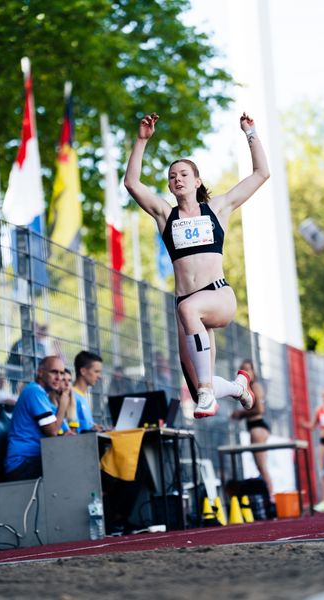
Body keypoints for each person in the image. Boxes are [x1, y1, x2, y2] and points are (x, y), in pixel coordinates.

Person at [124, 111, 270, 418]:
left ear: (197, 181)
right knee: (194, 384)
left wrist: (250, 132)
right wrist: (141, 140)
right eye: (172, 176)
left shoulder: (217, 209)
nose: (176, 179)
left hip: (217, 296)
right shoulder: (166, 215)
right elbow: (132, 183)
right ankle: (237, 387)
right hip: (186, 306)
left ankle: (206, 393)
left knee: (190, 318)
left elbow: (261, 174)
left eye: (183, 174)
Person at [4, 355, 69, 481]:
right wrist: (63, 405)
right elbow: (52, 431)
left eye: (61, 373)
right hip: (21, 463)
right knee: (68, 464)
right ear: (40, 372)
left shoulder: (45, 399)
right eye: (54, 372)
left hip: (34, 460)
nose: (59, 378)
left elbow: (64, 432)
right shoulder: (34, 391)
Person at [231, 359, 274, 499]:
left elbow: (259, 409)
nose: (246, 372)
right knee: (260, 466)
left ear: (254, 372)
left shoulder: (255, 386)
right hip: (254, 427)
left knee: (262, 466)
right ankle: (269, 496)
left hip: (258, 427)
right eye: (243, 369)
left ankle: (271, 497)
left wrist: (240, 414)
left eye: (248, 369)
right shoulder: (246, 388)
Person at [73, 350, 106, 432]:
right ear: (83, 371)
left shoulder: (82, 396)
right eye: (96, 371)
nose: (99, 376)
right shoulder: (71, 396)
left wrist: (94, 428)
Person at [49, 368, 79, 434]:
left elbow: (74, 433)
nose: (67, 384)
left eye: (69, 380)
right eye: (63, 380)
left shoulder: (72, 405)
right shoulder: (49, 405)